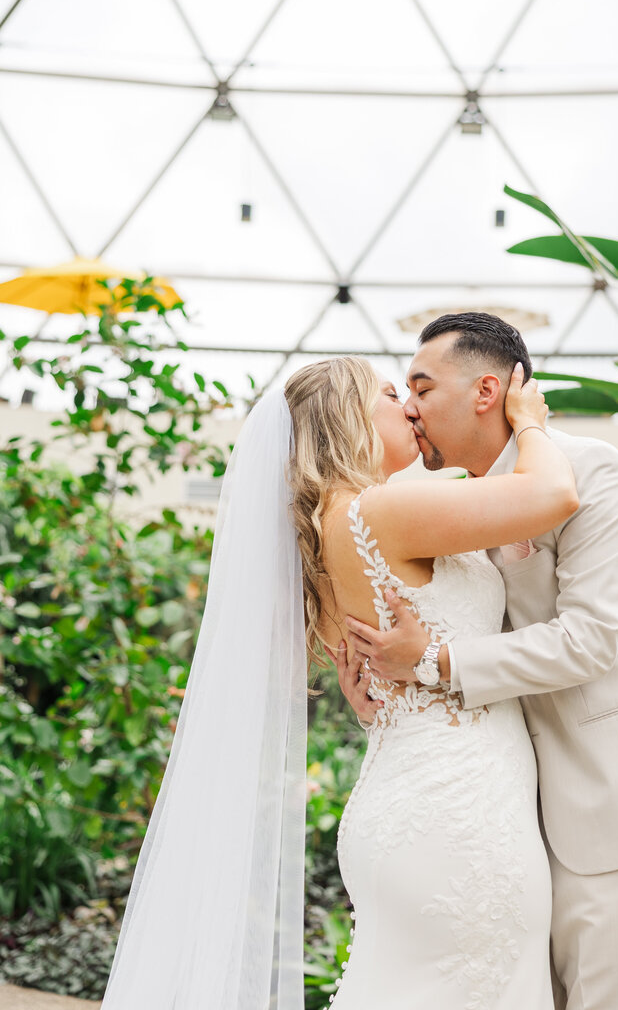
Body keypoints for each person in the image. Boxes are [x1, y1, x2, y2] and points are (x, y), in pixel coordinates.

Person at [100, 354, 579, 1010]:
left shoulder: (322, 535)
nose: (409, 406)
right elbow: (554, 496)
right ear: (348, 418)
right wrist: (530, 423)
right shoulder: (381, 511)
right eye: (388, 394)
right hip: (460, 812)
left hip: (406, 800)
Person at [339, 312, 618, 1010]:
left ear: (486, 391)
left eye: (422, 388)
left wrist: (432, 662)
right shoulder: (460, 501)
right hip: (515, 820)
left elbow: (587, 641)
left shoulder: (591, 472)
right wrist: (379, 680)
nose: (410, 408)